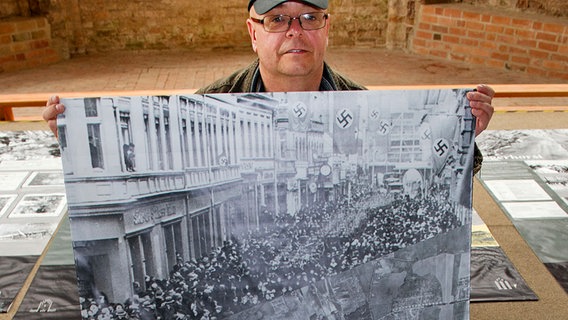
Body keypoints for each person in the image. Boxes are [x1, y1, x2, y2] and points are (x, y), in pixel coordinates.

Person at [43, 0, 494, 172]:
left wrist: (462, 137)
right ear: (253, 32)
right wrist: (80, 136)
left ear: (326, 27)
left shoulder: (366, 107)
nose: (294, 30)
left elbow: (439, 170)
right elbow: (143, 152)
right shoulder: (210, 104)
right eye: (278, 19)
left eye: (309, 17)